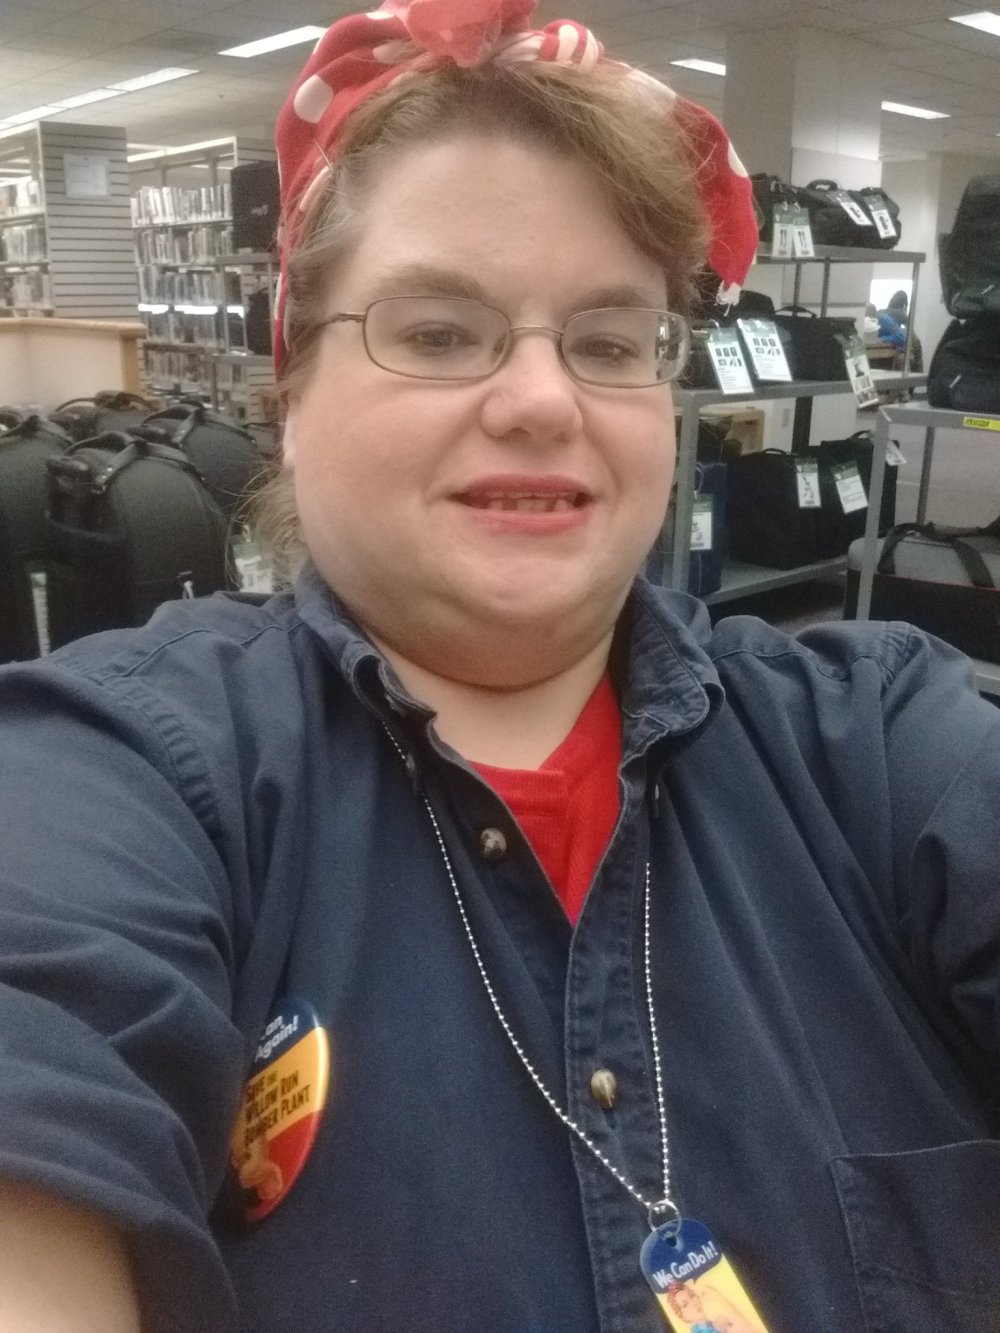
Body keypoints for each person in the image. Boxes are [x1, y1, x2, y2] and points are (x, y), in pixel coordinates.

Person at [0, 3, 998, 1330]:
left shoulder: (884, 740)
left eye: (605, 340)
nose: (543, 399)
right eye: (437, 330)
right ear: (291, 398)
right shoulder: (128, 775)